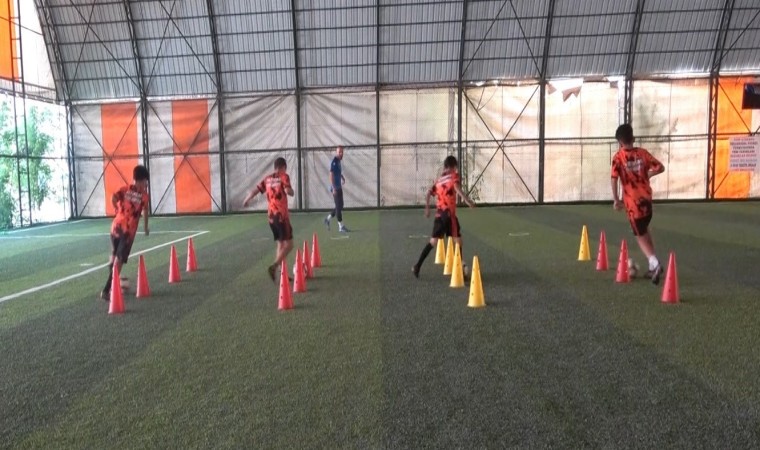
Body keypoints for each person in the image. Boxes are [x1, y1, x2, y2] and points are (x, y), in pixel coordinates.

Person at [611, 123, 666, 284]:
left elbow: (614, 179)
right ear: (633, 138)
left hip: (633, 203)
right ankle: (651, 264)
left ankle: (655, 263)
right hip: (647, 200)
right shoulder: (643, 153)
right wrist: (648, 175)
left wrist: (616, 199)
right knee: (644, 230)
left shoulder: (618, 158)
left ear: (620, 142)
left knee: (639, 235)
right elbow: (660, 167)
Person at [413, 155, 475, 279]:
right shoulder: (454, 176)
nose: (455, 169)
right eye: (455, 167)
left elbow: (429, 193)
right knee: (458, 241)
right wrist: (468, 201)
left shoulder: (439, 180)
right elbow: (456, 188)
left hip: (439, 215)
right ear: (453, 166)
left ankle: (417, 266)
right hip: (449, 215)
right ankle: (460, 268)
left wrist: (427, 208)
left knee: (433, 242)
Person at [100, 164, 150, 301]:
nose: (145, 185)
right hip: (128, 232)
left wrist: (117, 211)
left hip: (115, 227)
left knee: (115, 257)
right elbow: (145, 212)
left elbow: (113, 198)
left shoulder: (125, 189)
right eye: (145, 182)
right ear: (141, 180)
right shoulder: (144, 196)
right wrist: (146, 227)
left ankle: (116, 282)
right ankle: (107, 290)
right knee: (120, 259)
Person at [243, 157, 295, 282]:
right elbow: (288, 190)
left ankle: (282, 274)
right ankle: (275, 266)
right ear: (283, 167)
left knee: (280, 243)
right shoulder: (284, 176)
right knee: (289, 244)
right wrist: (291, 191)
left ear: (275, 167)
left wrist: (247, 199)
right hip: (281, 216)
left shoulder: (267, 179)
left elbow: (255, 190)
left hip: (271, 217)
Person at [324, 146, 349, 233]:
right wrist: (334, 187)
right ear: (336, 152)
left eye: (342, 152)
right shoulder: (334, 161)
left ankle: (327, 219)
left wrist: (342, 177)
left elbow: (337, 172)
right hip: (335, 188)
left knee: (340, 206)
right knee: (338, 207)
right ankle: (341, 227)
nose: (341, 153)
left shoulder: (338, 161)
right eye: (339, 152)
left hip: (339, 187)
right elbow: (331, 175)